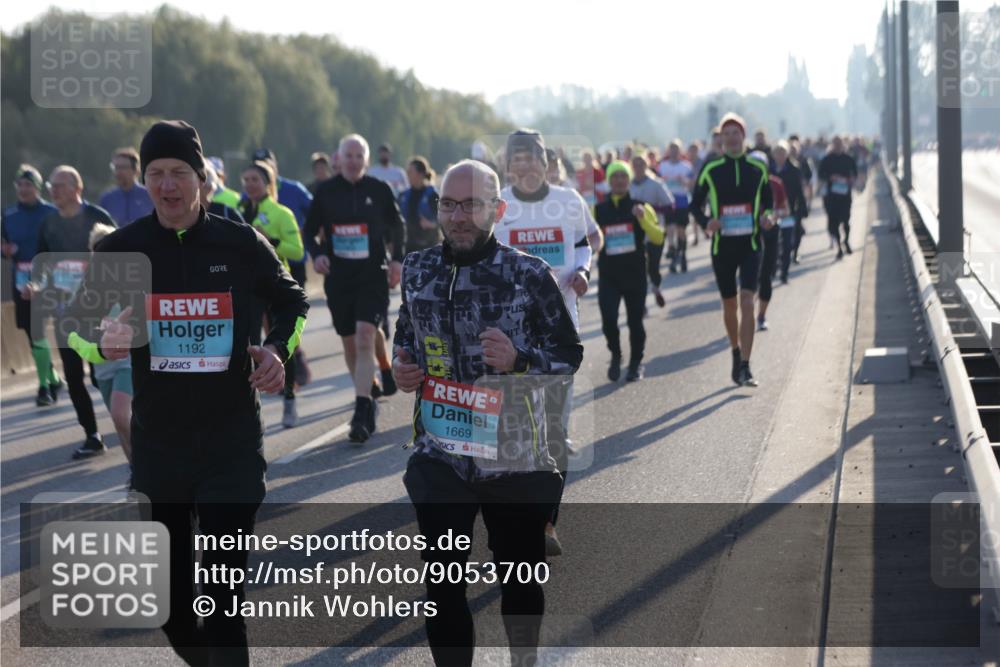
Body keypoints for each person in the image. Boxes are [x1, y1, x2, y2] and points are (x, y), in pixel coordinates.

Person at [67, 120, 308, 666]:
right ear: (145, 180)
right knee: (170, 605)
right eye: (156, 174)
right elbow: (76, 326)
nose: (167, 185)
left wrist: (276, 351)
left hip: (230, 445)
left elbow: (293, 301)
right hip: (160, 448)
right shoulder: (123, 251)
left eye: (179, 173)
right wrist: (102, 346)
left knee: (223, 604)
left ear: (201, 179)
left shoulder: (239, 240)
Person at [393, 159, 583, 667]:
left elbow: (570, 354)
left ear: (496, 210)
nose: (459, 217)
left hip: (513, 456)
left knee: (519, 583)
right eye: (449, 205)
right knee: (442, 586)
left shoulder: (528, 274)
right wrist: (402, 366)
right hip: (442, 454)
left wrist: (519, 360)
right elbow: (406, 334)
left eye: (472, 205)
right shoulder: (417, 269)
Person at [496, 129, 599, 557]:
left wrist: (584, 272)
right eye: (516, 159)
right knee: (516, 429)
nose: (524, 166)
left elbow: (583, 245)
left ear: (544, 161)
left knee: (555, 426)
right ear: (508, 165)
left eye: (530, 158)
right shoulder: (497, 203)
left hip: (559, 327)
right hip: (511, 331)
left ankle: (547, 523)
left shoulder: (569, 201)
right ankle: (514, 519)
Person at [304, 133, 404, 442]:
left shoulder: (379, 189)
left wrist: (398, 260)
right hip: (339, 277)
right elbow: (309, 230)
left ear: (367, 160)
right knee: (350, 343)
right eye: (348, 155)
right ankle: (368, 391)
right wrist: (318, 255)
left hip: (372, 273)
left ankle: (362, 409)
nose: (354, 161)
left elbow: (397, 226)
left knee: (364, 336)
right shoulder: (325, 192)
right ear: (338, 159)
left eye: (359, 156)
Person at [21, 165, 115, 457]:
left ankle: (132, 422)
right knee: (74, 377)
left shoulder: (97, 217)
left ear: (77, 188)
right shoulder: (48, 223)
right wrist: (36, 286)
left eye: (59, 185)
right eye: (51, 185)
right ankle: (92, 435)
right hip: (66, 315)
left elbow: (121, 256)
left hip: (100, 313)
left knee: (102, 376)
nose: (53, 190)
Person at [689, 113, 774, 387]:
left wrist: (768, 217)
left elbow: (769, 202)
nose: (731, 138)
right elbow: (695, 205)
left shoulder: (758, 167)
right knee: (730, 304)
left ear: (743, 136)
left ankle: (747, 365)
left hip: (750, 245)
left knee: (747, 300)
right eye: (726, 134)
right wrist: (706, 222)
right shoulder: (711, 170)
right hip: (721, 247)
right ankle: (735, 352)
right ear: (721, 140)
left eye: (736, 133)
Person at [240, 160, 305, 427]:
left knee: (278, 346)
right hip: (249, 289)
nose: (250, 185)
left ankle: (289, 398)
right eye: (246, 180)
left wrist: (270, 239)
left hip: (276, 286)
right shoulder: (238, 210)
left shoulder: (281, 213)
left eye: (255, 179)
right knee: (249, 344)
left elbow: (298, 252)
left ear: (269, 183)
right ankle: (248, 407)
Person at [69, 222, 133, 483]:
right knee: (120, 422)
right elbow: (72, 331)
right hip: (102, 365)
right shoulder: (86, 289)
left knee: (121, 413)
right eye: (97, 250)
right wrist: (96, 348)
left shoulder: (134, 281)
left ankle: (148, 471)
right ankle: (136, 470)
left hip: (130, 361)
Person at [594, 160, 664, 382]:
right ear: (609, 181)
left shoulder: (641, 206)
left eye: (623, 176)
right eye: (615, 177)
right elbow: (586, 238)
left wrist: (643, 219)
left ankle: (635, 364)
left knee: (635, 321)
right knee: (608, 320)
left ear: (629, 180)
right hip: (608, 275)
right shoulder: (598, 209)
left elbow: (658, 237)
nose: (619, 180)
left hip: (634, 274)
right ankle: (616, 353)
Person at [251, 148, 314, 384]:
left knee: (286, 323)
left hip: (288, 270)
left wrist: (311, 236)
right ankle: (285, 371)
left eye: (265, 164)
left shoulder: (293, 190)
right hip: (257, 279)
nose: (251, 182)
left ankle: (293, 372)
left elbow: (314, 213)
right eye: (248, 177)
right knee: (270, 331)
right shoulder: (245, 205)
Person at [2, 164, 62, 406]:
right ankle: (54, 377)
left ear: (37, 188)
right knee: (29, 331)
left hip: (47, 277)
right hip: (20, 279)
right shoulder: (8, 215)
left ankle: (44, 388)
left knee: (37, 329)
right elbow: (3, 246)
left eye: (28, 185)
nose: (23, 189)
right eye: (20, 185)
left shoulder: (50, 212)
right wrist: (4, 250)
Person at [751, 150, 788, 332]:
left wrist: (772, 216)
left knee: (766, 277)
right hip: (749, 236)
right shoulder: (743, 185)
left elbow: (785, 210)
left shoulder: (776, 184)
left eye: (760, 166)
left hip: (771, 234)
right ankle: (748, 311)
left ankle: (762, 315)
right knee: (750, 277)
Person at [629, 154, 672, 305]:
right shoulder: (627, 186)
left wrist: (650, 208)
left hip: (654, 231)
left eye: (641, 164)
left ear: (646, 165)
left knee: (653, 266)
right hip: (635, 235)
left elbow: (670, 205)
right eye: (635, 164)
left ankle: (656, 287)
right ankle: (642, 302)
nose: (638, 167)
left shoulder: (656, 184)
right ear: (631, 167)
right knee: (639, 269)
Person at [771, 140, 808, 283]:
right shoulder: (769, 170)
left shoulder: (794, 169)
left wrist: (802, 207)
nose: (780, 156)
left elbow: (799, 191)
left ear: (786, 154)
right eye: (777, 153)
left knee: (788, 243)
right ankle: (773, 268)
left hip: (789, 211)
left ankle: (784, 273)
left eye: (782, 153)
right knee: (773, 243)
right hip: (773, 212)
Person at [818, 135, 858, 259]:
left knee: (846, 220)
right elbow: (821, 174)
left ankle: (846, 241)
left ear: (843, 145)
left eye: (839, 143)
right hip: (831, 196)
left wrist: (850, 179)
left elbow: (855, 173)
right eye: (835, 144)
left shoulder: (848, 158)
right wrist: (830, 177)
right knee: (833, 222)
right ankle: (839, 247)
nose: (837, 146)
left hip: (845, 195)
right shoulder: (826, 159)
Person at [657, 141, 694, 274]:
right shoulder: (662, 166)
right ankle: (673, 254)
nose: (673, 152)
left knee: (681, 230)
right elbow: (658, 181)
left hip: (682, 201)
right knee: (670, 229)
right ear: (668, 151)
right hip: (668, 202)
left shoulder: (686, 166)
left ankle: (683, 254)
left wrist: (683, 180)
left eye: (676, 149)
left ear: (680, 151)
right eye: (671, 149)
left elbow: (691, 183)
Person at [98, 147, 154, 226]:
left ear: (136, 170)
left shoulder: (151, 196)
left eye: (123, 167)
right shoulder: (106, 199)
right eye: (116, 167)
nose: (118, 172)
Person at [398, 156, 440, 253]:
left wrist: (432, 224)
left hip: (429, 247)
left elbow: (445, 220)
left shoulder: (432, 195)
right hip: (408, 248)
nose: (407, 175)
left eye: (410, 172)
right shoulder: (403, 196)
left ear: (420, 174)